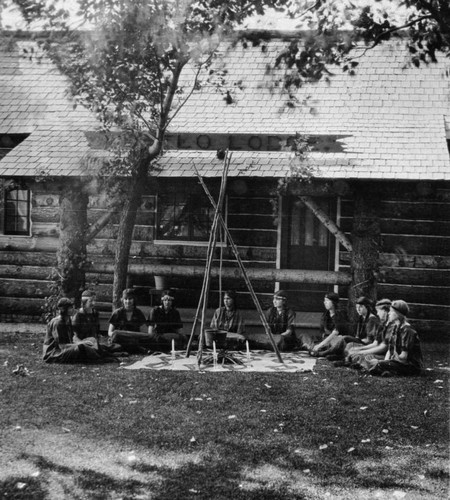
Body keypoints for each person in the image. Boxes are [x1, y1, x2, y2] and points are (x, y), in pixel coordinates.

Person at [369, 300, 423, 377]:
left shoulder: (407, 330)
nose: (389, 313)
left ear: (398, 314)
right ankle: (388, 371)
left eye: (391, 312)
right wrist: (385, 361)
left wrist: (384, 362)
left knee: (377, 364)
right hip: (397, 361)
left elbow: (404, 357)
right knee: (375, 362)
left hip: (410, 365)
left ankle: (388, 370)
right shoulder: (396, 327)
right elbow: (389, 350)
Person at [43, 297, 101, 363]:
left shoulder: (68, 319)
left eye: (72, 307)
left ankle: (100, 355)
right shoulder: (58, 323)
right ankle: (99, 358)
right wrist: (81, 344)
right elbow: (61, 345)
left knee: (91, 340)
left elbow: (73, 337)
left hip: (65, 349)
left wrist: (83, 342)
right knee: (81, 347)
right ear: (64, 310)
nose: (72, 309)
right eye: (70, 308)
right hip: (54, 353)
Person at [344, 298, 392, 369]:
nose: (377, 314)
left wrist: (361, 351)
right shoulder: (382, 325)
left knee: (366, 357)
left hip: (385, 354)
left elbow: (383, 348)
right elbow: (375, 343)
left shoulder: (389, 327)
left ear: (386, 311)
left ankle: (360, 364)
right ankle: (355, 362)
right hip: (376, 349)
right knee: (354, 350)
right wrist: (359, 349)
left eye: (379, 311)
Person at [108, 289, 151, 353]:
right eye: (126, 299)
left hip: (134, 338)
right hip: (120, 339)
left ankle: (134, 347)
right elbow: (110, 332)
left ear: (134, 300)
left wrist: (131, 335)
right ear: (122, 300)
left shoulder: (138, 313)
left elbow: (144, 333)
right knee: (116, 335)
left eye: (130, 299)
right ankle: (138, 348)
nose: (128, 301)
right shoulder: (117, 313)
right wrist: (122, 334)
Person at [309, 292, 349, 357]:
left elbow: (335, 333)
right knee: (309, 341)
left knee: (335, 342)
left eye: (327, 301)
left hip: (336, 339)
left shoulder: (340, 314)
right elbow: (323, 331)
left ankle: (325, 352)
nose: (325, 302)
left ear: (333, 302)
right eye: (324, 301)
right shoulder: (326, 314)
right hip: (326, 339)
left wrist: (320, 345)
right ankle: (323, 350)